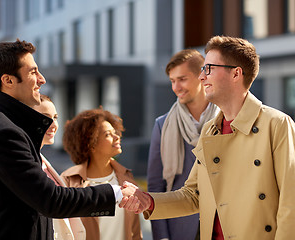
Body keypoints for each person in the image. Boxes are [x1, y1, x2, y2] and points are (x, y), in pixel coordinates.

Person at [0, 39, 139, 240]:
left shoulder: (0, 124)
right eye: (32, 72)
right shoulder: (4, 133)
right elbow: (51, 200)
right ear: (8, 81)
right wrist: (114, 193)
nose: (42, 79)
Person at [124, 36, 295, 239]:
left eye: (209, 69)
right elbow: (194, 195)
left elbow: (291, 203)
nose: (202, 77)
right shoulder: (210, 130)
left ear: (236, 74)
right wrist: (148, 201)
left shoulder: (277, 124)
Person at [147, 49, 218, 240]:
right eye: (172, 81)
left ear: (202, 76)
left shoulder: (226, 119)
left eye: (182, 79)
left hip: (222, 225)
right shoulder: (162, 125)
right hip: (180, 227)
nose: (176, 87)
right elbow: (155, 185)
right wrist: (161, 236)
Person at [61, 108, 143, 240]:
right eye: (108, 134)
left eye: (115, 132)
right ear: (90, 143)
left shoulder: (126, 178)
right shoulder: (69, 181)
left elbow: (136, 233)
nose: (117, 137)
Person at [33, 94, 86, 240]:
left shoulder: (44, 163)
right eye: (45, 118)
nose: (53, 124)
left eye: (55, 117)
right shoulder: (26, 165)